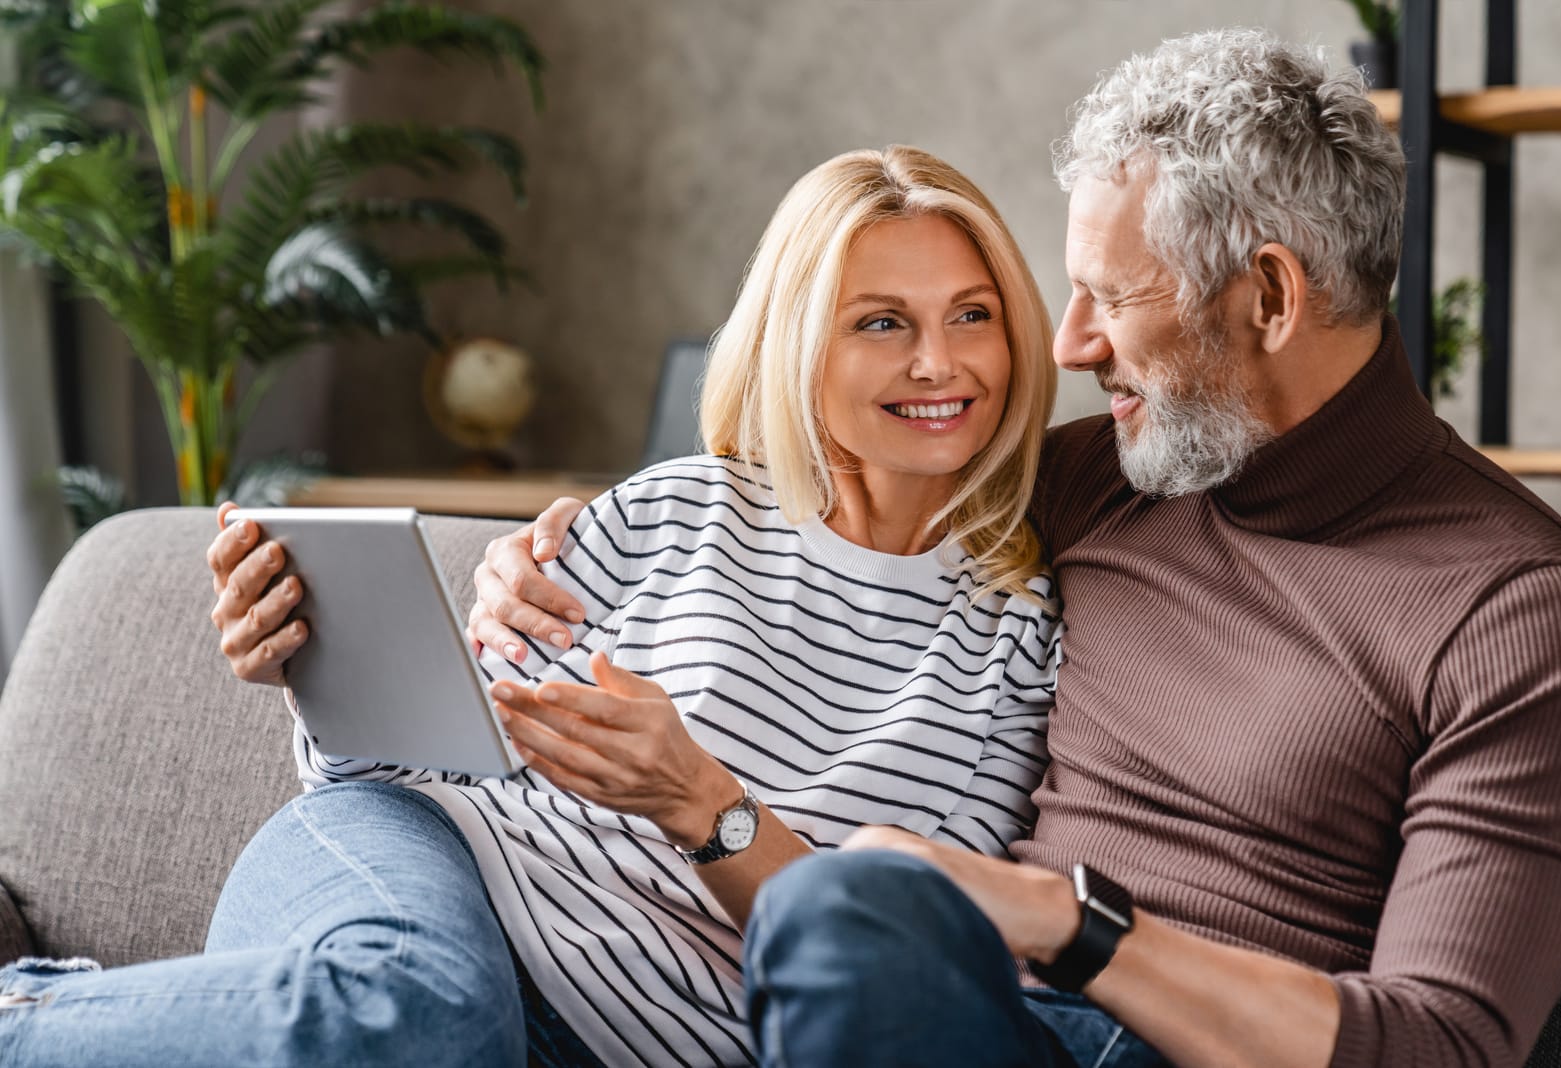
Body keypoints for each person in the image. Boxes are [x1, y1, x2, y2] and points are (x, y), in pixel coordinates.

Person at [476, 29, 1561, 1068]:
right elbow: (835, 470)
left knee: (840, 909)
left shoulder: (1517, 611)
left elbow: (1448, 1044)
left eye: (1111, 297)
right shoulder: (1103, 477)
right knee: (843, 917)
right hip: (963, 1018)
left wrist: (1071, 922)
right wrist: (549, 553)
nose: (1065, 346)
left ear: (1266, 294)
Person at [0, 146, 1063, 1068]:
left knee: (432, 1037)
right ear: (797, 344)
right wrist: (316, 663)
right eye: (882, 322)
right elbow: (423, 752)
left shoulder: (1017, 635)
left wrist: (705, 806)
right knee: (415, 1020)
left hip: (606, 1035)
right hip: (421, 860)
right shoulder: (673, 509)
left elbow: (901, 956)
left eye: (971, 315)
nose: (940, 363)